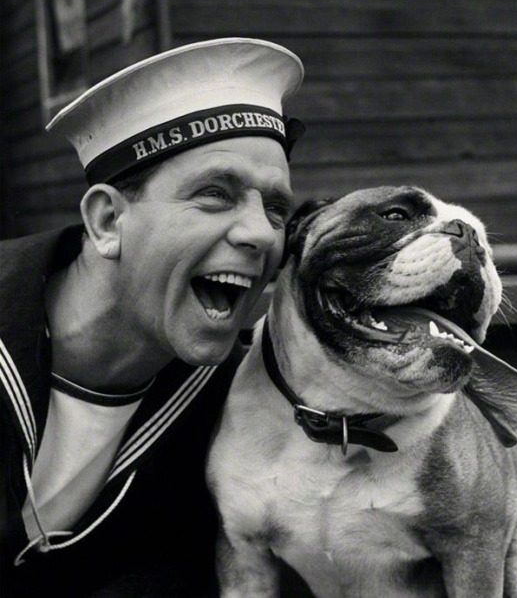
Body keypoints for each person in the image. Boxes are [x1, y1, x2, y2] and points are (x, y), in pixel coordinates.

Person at [0, 38, 305, 597]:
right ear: (107, 221)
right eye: (215, 194)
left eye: (276, 209)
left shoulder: (234, 402)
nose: (262, 234)